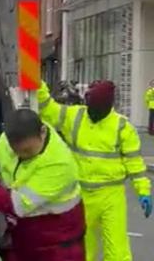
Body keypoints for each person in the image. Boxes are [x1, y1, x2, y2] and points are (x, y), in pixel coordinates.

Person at [37, 80, 152, 261]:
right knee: (82, 249)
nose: (92, 111)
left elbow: (135, 164)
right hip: (81, 195)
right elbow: (48, 108)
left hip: (111, 196)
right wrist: (37, 83)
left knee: (116, 250)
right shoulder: (75, 116)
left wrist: (143, 191)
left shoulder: (122, 127)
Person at [0, 109, 85, 261]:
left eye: (27, 150)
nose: (22, 156)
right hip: (25, 236)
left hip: (57, 242)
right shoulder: (7, 140)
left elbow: (17, 206)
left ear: (43, 132)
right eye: (16, 151)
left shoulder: (59, 164)